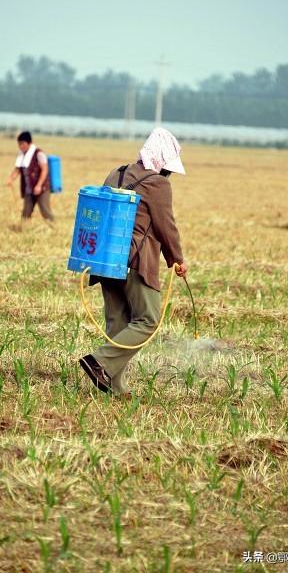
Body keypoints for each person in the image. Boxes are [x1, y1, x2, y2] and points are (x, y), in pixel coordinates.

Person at [79, 127, 188, 397]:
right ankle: (99, 362)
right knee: (147, 320)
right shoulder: (158, 183)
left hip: (105, 259)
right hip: (135, 261)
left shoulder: (116, 173)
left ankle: (114, 388)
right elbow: (166, 225)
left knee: (118, 321)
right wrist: (177, 259)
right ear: (162, 161)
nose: (170, 173)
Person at [6, 131, 54, 222]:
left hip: (42, 189)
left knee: (45, 210)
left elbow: (45, 170)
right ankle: (24, 230)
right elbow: (18, 169)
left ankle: (54, 228)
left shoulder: (39, 154)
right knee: (26, 213)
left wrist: (39, 185)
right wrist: (10, 179)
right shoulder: (22, 155)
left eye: (23, 144)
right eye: (19, 144)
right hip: (29, 189)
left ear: (29, 143)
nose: (20, 146)